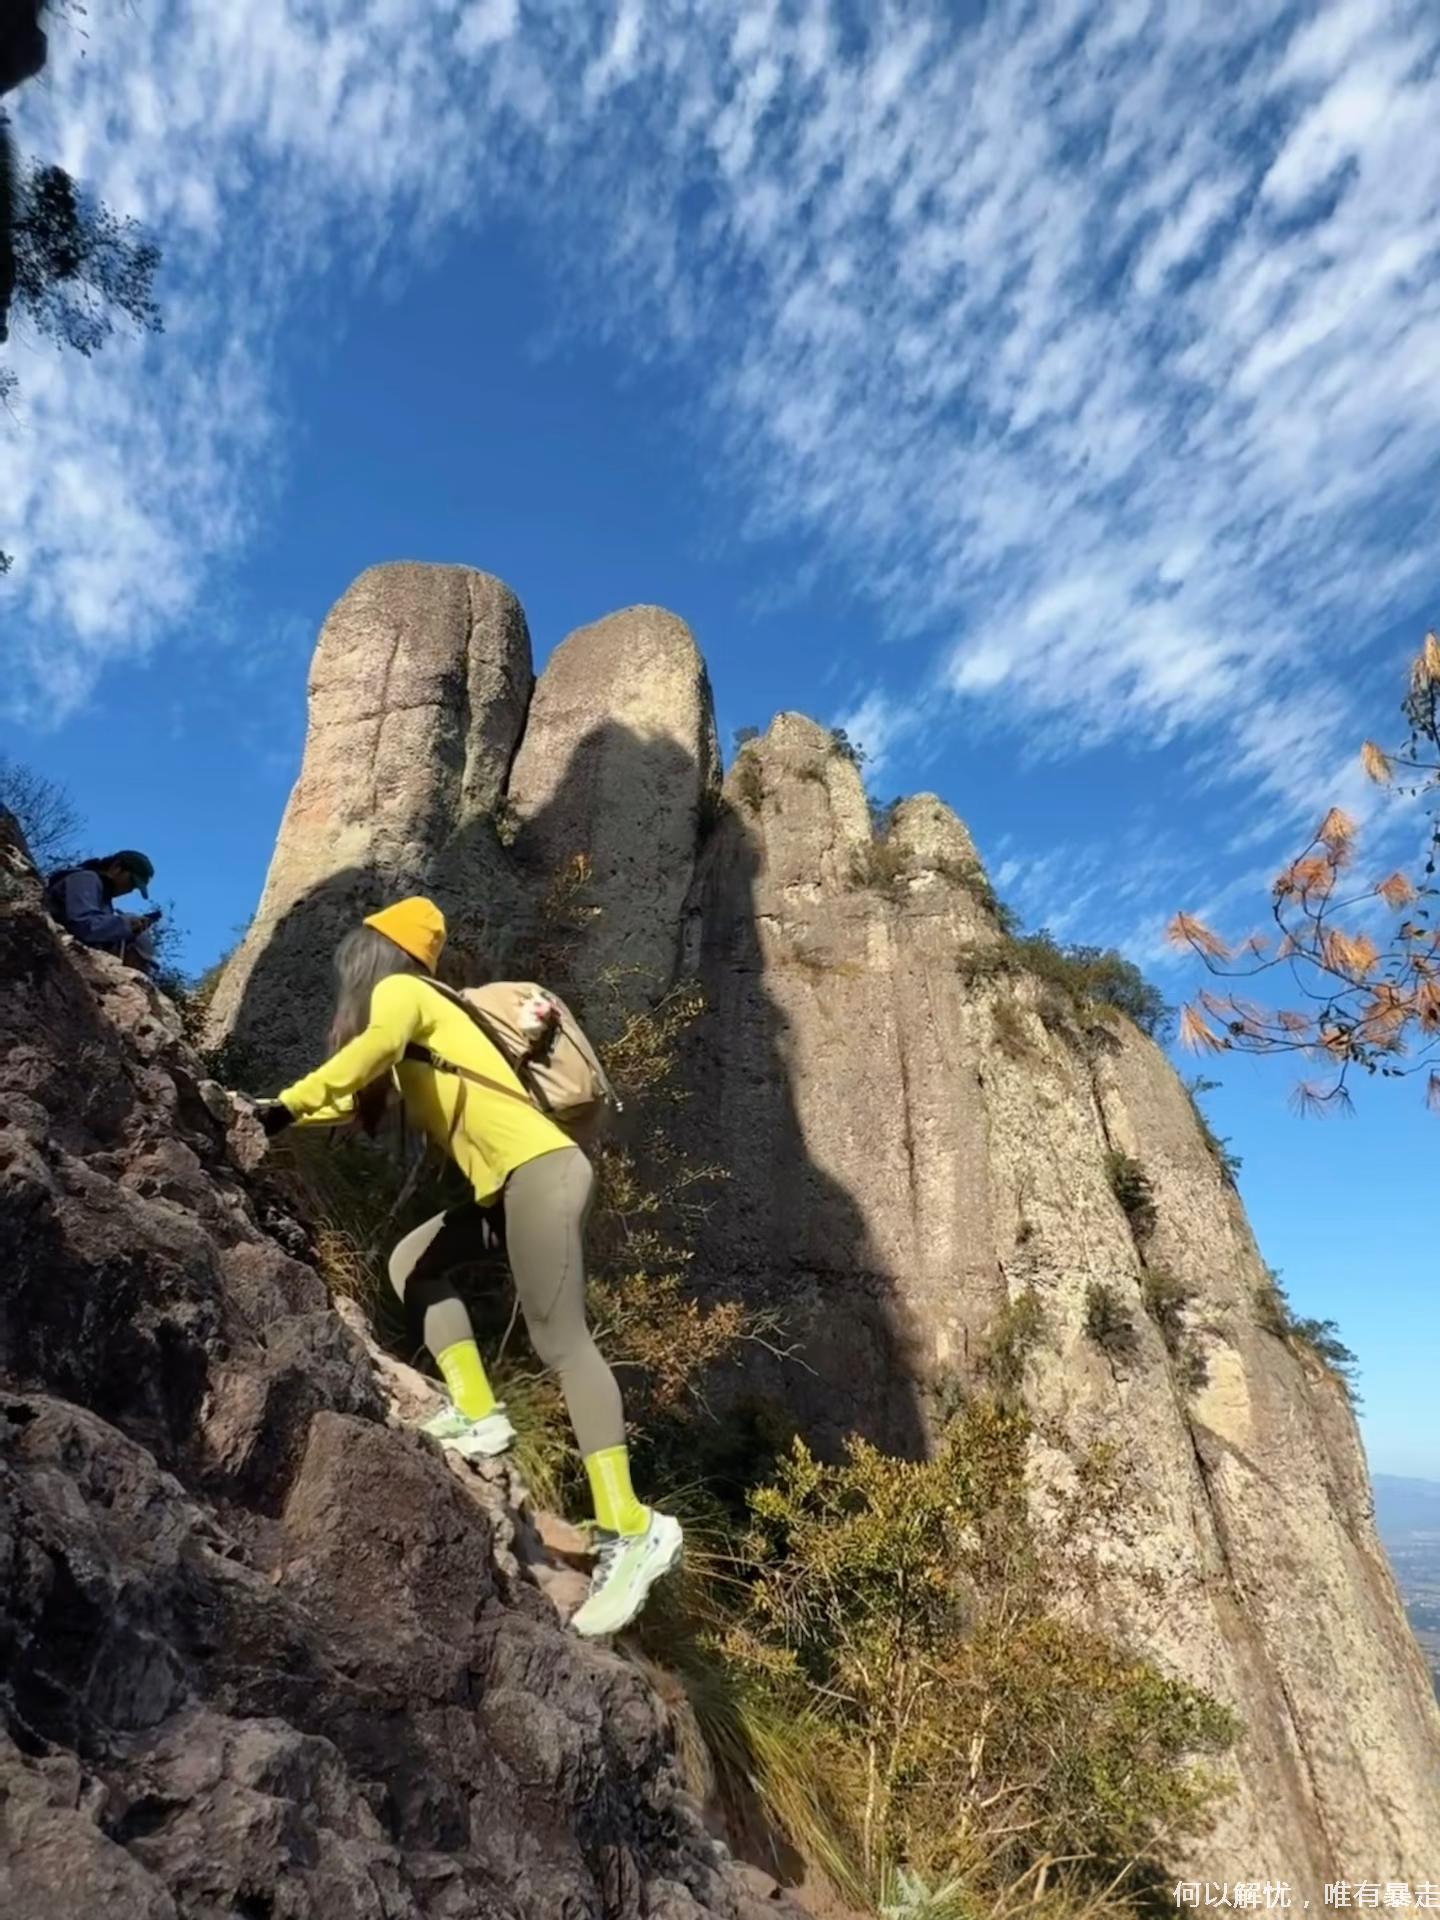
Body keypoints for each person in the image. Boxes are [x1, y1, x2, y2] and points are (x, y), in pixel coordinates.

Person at [251, 896, 683, 1639]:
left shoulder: (406, 992)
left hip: (539, 1171)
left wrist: (284, 1106)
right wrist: (267, 1112)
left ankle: (631, 1526)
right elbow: (355, 1092)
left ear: (375, 956)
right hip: (512, 1187)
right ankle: (479, 1415)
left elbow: (368, 1054)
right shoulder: (426, 1016)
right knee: (413, 1263)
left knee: (561, 1341)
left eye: (354, 957)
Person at [46, 851, 162, 970]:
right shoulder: (85, 879)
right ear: (116, 867)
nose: (130, 890)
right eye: (131, 882)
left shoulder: (104, 898)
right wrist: (127, 925)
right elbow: (84, 926)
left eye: (134, 887)